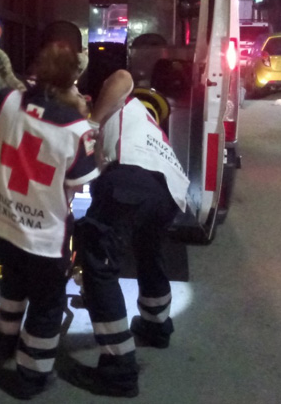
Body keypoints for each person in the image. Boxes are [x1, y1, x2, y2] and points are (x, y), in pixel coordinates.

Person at [0, 42, 100, 399]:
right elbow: (79, 181)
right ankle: (31, 377)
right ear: (73, 77)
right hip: (45, 236)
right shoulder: (77, 128)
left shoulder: (6, 101)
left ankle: (3, 344)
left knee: (14, 285)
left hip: (3, 223)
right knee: (47, 305)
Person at [65, 70, 190, 398]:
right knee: (149, 249)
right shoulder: (141, 124)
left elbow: (121, 76)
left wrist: (91, 123)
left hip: (130, 178)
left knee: (98, 264)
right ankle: (156, 326)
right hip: (167, 190)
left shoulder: (116, 103)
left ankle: (118, 371)